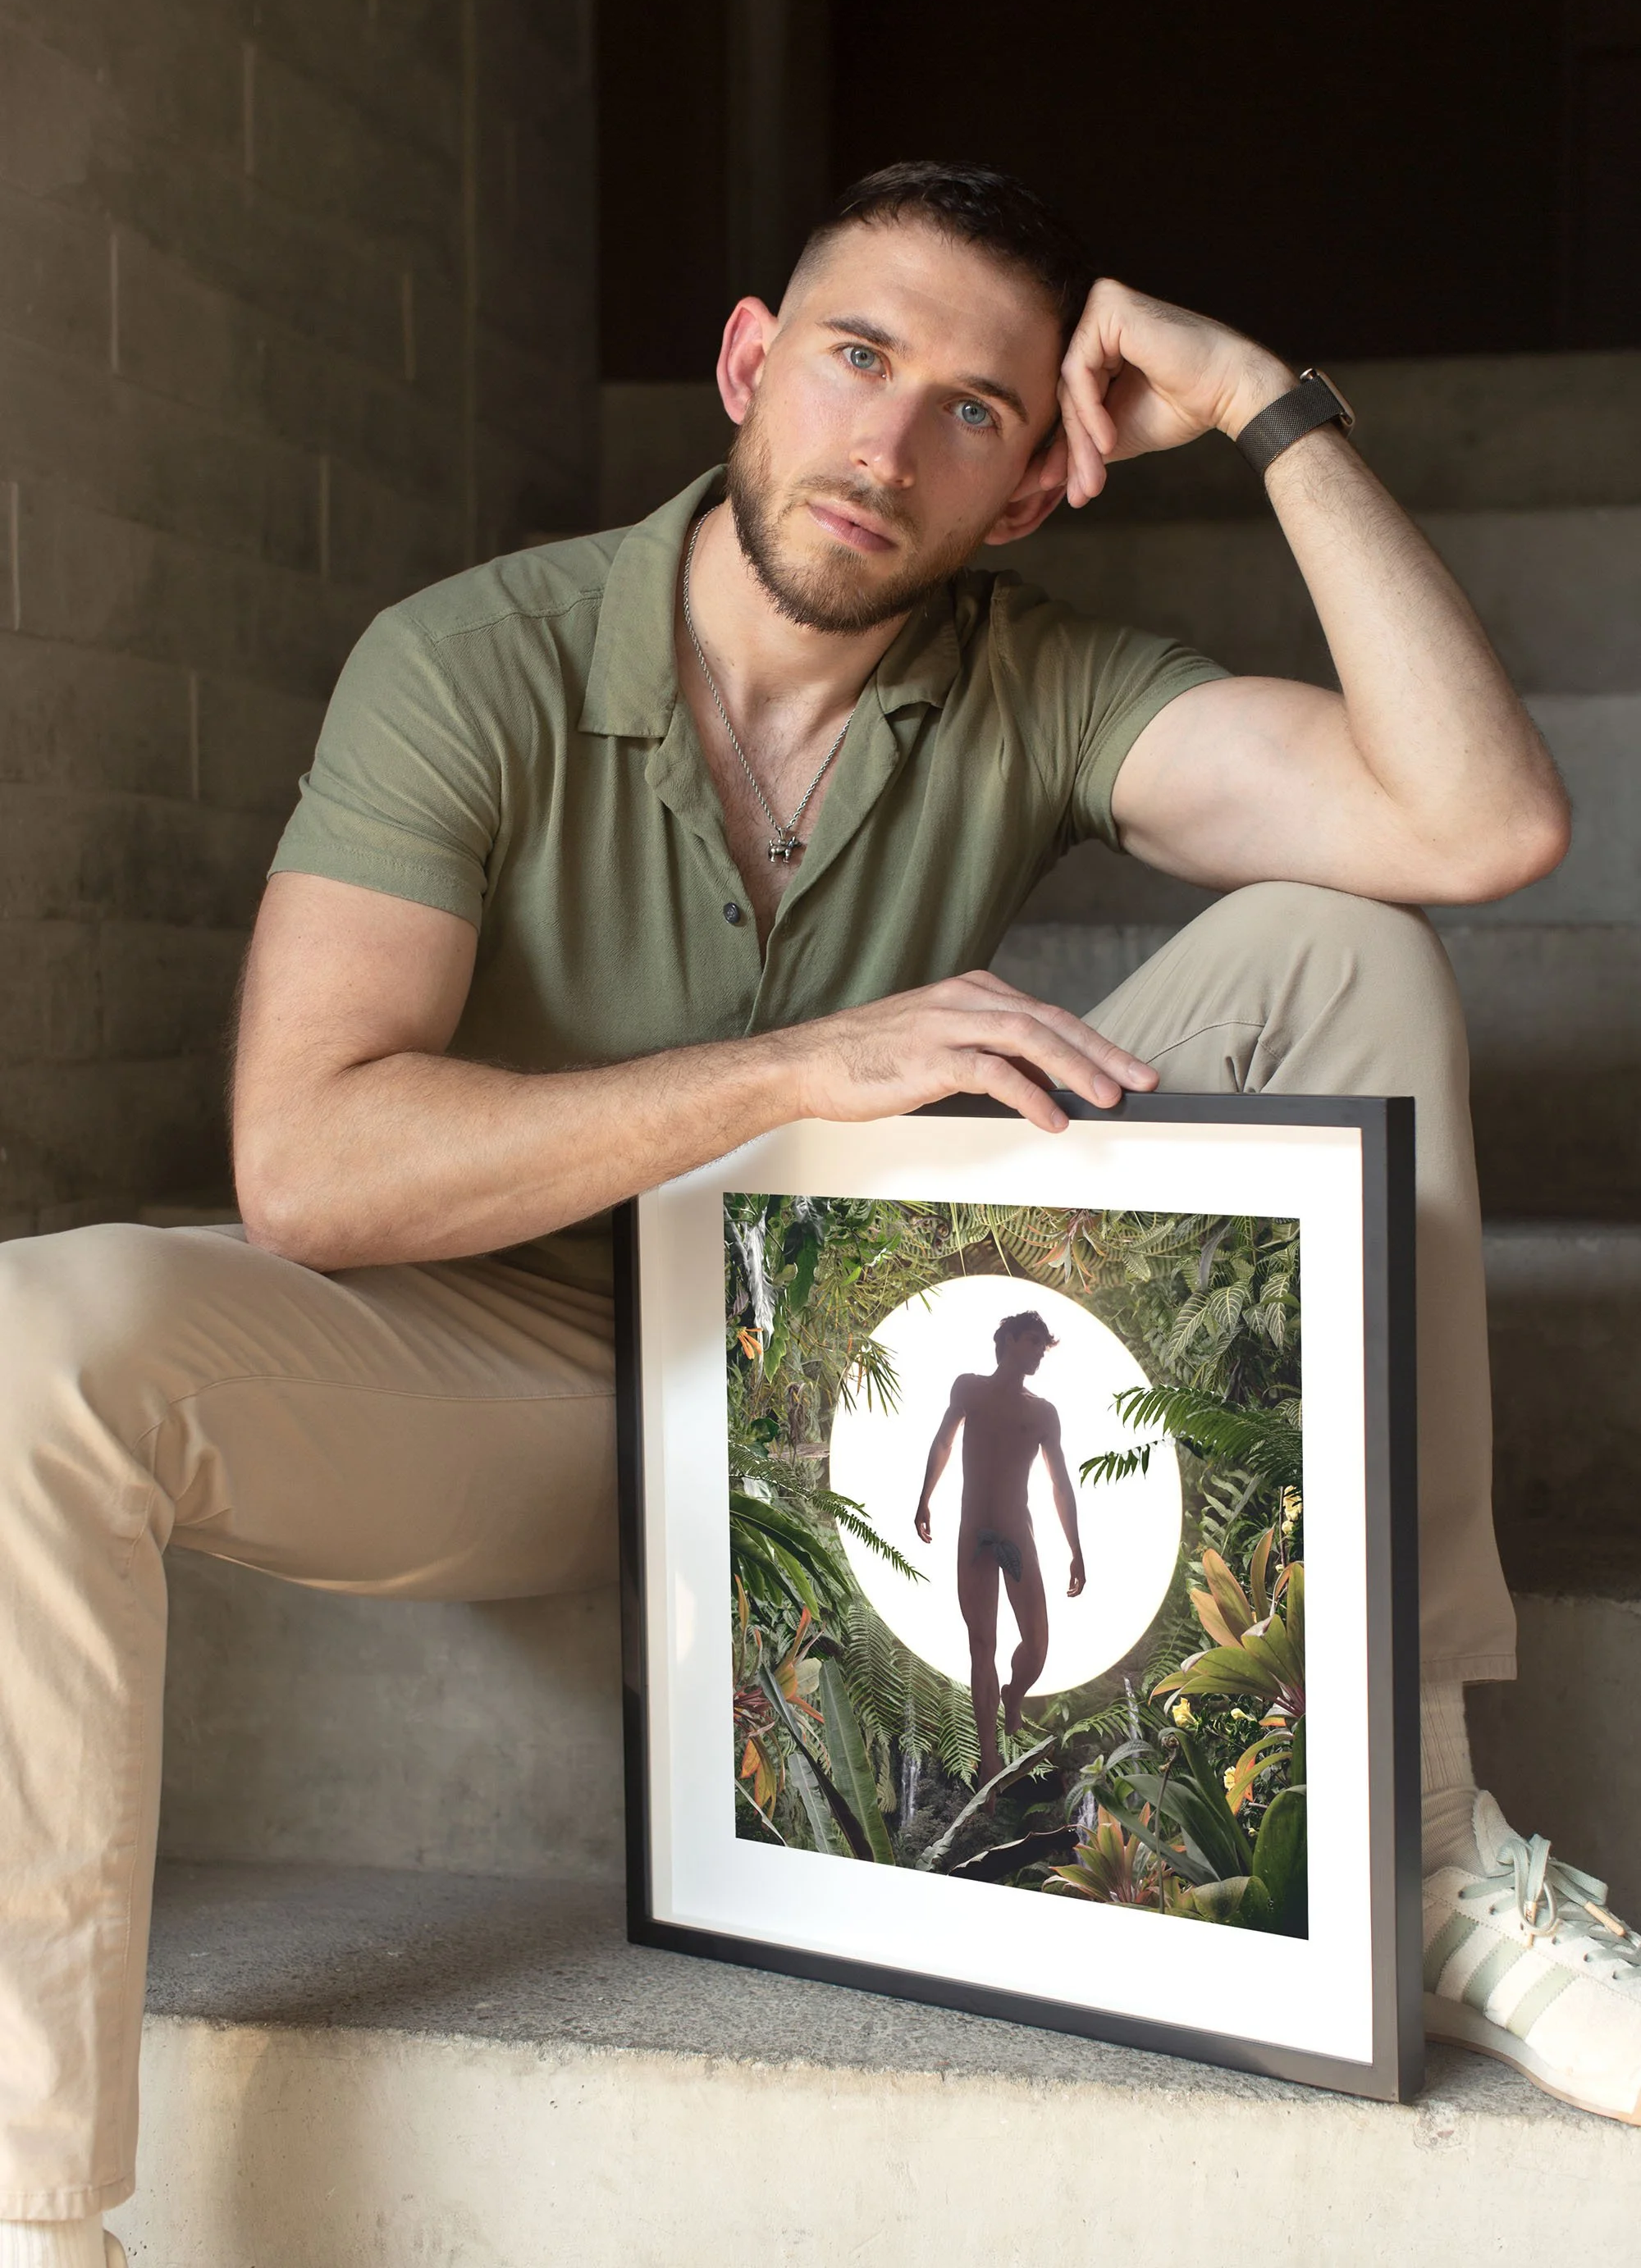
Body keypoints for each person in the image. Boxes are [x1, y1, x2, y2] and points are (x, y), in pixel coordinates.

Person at [3, 157, 1639, 2257]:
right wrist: (792, 1068)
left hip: (864, 1338)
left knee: (1346, 946)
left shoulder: (1029, 674)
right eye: (856, 359)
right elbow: (305, 1162)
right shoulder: (471, 659)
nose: (885, 441)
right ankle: (45, 2216)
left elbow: (1479, 818)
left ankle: (1409, 1856)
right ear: (745, 366)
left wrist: (1256, 396)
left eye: (971, 407)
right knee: (42, 1335)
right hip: (509, 1367)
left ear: (1033, 482)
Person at [914, 1309, 1086, 1787]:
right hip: (973, 1534)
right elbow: (944, 1442)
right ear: (1009, 1341)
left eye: (1042, 1346)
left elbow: (1060, 1485)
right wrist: (925, 1497)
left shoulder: (1042, 1413)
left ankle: (1014, 1694)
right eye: (1032, 1342)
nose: (1037, 1353)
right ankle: (988, 1756)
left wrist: (1076, 1548)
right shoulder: (968, 1389)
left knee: (1036, 1646)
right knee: (981, 1644)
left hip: (1016, 1534)